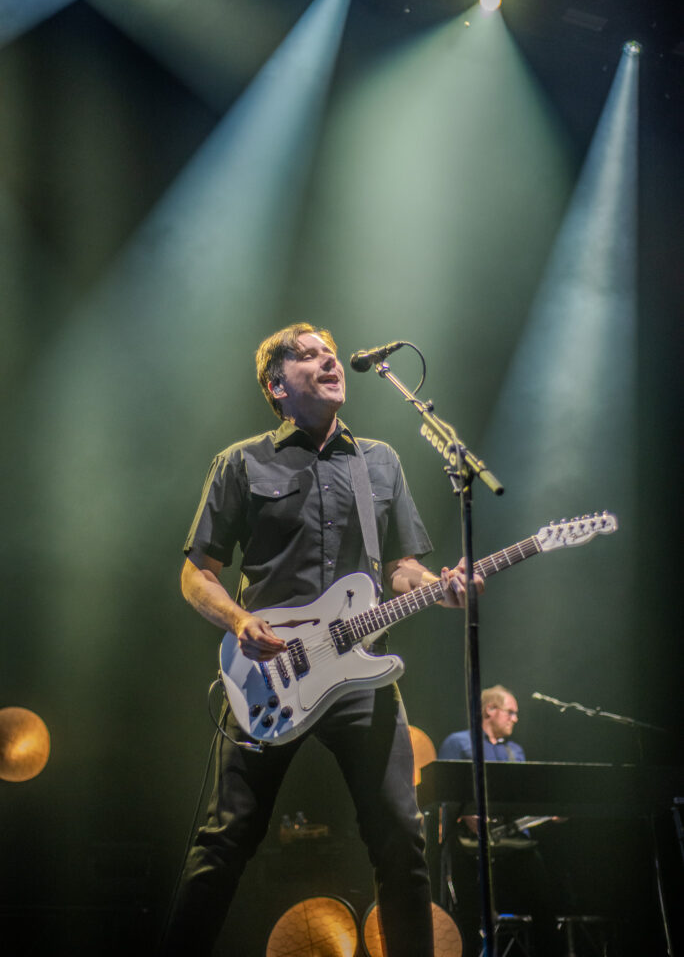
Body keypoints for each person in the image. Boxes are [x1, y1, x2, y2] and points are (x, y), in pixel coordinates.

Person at [160, 321, 483, 957]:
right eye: (310, 355)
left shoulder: (379, 461)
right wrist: (239, 620)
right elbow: (196, 573)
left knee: (401, 839)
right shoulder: (242, 461)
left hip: (360, 675)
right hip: (270, 674)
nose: (330, 361)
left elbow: (401, 568)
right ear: (277, 386)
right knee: (227, 839)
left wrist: (437, 586)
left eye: (331, 353)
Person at [437, 686, 559, 956]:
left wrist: (549, 811)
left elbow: (523, 799)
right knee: (468, 913)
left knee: (544, 901)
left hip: (513, 842)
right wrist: (465, 815)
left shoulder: (516, 751)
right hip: (470, 845)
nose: (515, 718)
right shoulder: (458, 742)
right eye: (510, 712)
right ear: (490, 710)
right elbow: (443, 791)